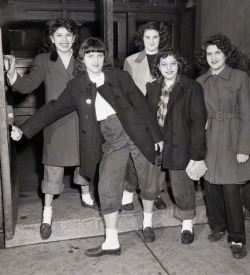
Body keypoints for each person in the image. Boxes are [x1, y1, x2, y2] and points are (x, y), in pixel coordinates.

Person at [10, 37, 163, 256]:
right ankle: (112, 242)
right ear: (82, 58)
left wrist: (157, 136)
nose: (96, 60)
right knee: (107, 186)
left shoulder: (120, 77)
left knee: (147, 177)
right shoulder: (76, 86)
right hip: (111, 138)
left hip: (137, 131)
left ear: (104, 58)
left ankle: (147, 223)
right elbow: (52, 109)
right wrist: (24, 129)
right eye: (90, 55)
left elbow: (142, 105)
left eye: (100, 55)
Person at [4, 18, 98, 241]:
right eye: (59, 36)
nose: (64, 40)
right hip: (55, 121)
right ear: (51, 39)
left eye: (68, 35)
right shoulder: (44, 60)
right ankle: (47, 213)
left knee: (84, 159)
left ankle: (86, 195)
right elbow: (27, 85)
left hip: (82, 119)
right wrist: (10, 74)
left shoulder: (83, 60)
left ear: (75, 39)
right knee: (53, 166)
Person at [196, 34, 250, 259]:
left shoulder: (240, 77)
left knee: (230, 189)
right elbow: (197, 117)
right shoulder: (200, 82)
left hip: (232, 136)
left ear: (226, 54)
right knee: (211, 187)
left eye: (218, 52)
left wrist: (244, 148)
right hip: (210, 138)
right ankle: (217, 226)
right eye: (209, 53)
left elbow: (247, 114)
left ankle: (237, 237)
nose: (213, 57)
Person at [147, 49, 207, 244]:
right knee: (149, 182)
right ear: (158, 67)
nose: (169, 68)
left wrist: (196, 154)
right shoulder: (153, 87)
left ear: (179, 64)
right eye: (164, 65)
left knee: (182, 187)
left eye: (173, 63)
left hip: (181, 143)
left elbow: (198, 123)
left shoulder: (191, 87)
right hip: (159, 142)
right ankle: (147, 222)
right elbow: (149, 117)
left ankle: (187, 226)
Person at [122, 22, 171, 211]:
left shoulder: (169, 59)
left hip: (162, 112)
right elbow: (125, 90)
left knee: (159, 153)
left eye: (155, 37)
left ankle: (157, 192)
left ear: (161, 38)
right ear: (142, 39)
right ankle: (128, 190)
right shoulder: (131, 60)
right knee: (136, 153)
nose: (151, 41)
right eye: (147, 37)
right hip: (139, 113)